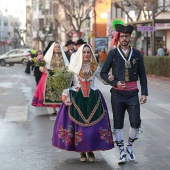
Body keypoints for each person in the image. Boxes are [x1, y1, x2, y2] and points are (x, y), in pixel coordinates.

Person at [52, 44, 114, 162]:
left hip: (93, 98)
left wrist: (111, 78)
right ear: (80, 53)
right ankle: (81, 152)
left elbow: (103, 79)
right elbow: (67, 84)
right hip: (77, 97)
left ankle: (90, 151)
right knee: (79, 127)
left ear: (91, 54)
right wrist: (65, 97)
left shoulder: (95, 67)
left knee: (93, 128)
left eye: (88, 52)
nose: (86, 54)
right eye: (84, 52)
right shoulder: (73, 67)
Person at [100, 24, 148, 164]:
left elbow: (142, 75)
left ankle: (129, 147)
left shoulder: (137, 53)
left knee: (135, 123)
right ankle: (121, 151)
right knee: (118, 124)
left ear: (130, 38)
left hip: (133, 93)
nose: (125, 38)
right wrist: (114, 82)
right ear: (118, 38)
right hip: (118, 94)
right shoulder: (113, 53)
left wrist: (144, 93)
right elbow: (103, 73)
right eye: (122, 36)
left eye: (127, 36)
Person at [31, 41, 69, 114]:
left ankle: (59, 108)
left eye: (58, 47)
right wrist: (42, 68)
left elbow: (66, 66)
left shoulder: (62, 57)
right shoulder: (49, 56)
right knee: (51, 93)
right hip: (50, 76)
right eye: (55, 47)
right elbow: (42, 67)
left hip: (59, 77)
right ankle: (53, 108)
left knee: (59, 93)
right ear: (53, 48)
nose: (57, 48)